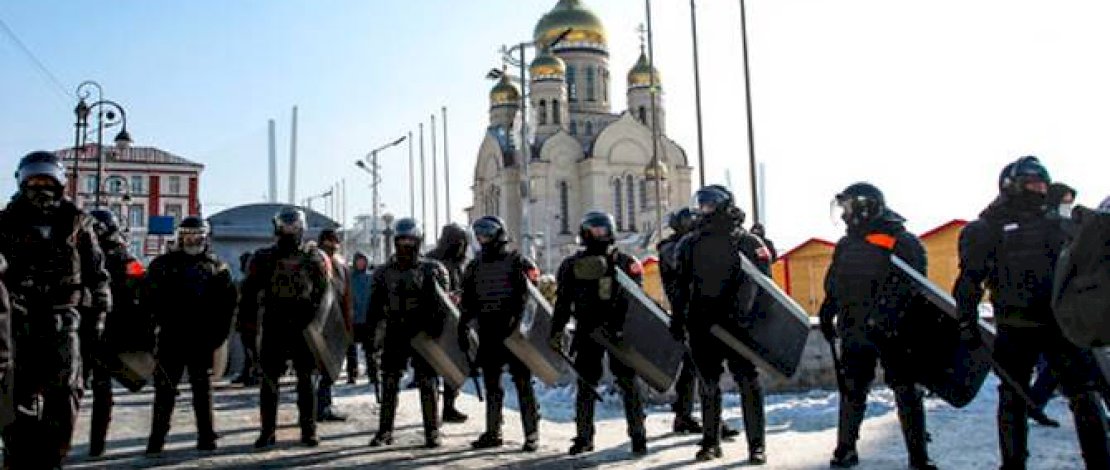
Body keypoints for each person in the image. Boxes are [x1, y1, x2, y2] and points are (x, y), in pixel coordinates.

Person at [953, 156, 1109, 469]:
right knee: (1012, 398)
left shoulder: (1057, 221)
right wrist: (966, 320)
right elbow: (969, 280)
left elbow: (1086, 263)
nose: (1039, 189)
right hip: (1015, 326)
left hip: (1061, 324)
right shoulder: (988, 227)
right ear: (1012, 185)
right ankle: (1013, 464)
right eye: (1032, 184)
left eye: (1042, 184)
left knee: (1084, 394)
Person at [0, 151, 111, 468]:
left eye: (47, 180)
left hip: (64, 320)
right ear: (22, 182)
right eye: (33, 180)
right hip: (17, 321)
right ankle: (17, 455)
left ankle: (53, 456)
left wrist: (99, 317)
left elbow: (98, 276)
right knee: (13, 393)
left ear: (60, 183)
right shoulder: (5, 223)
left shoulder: (77, 223)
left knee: (65, 393)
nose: (40, 188)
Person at [818, 183, 935, 469]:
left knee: (906, 390)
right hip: (855, 329)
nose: (844, 214)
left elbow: (914, 285)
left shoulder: (900, 240)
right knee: (852, 389)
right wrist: (828, 308)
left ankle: (918, 457)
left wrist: (888, 316)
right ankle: (845, 449)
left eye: (847, 207)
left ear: (863, 207)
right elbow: (836, 281)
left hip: (893, 331)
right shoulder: (847, 243)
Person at [670, 185, 768, 463]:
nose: (704, 210)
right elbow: (680, 287)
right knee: (708, 385)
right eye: (702, 205)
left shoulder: (746, 242)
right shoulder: (689, 244)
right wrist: (678, 319)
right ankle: (711, 442)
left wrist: (755, 322)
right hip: (702, 323)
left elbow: (763, 287)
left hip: (739, 326)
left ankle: (756, 446)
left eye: (710, 205)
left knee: (748, 382)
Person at [550, 211, 648, 457]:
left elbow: (637, 300)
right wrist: (556, 329)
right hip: (587, 330)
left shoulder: (625, 262)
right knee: (585, 384)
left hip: (618, 331)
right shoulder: (571, 265)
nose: (598, 235)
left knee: (628, 382)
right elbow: (562, 302)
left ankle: (638, 435)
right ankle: (584, 437)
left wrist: (626, 328)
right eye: (593, 230)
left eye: (602, 229)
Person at [143, 216, 237, 454]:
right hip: (171, 336)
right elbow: (148, 301)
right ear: (180, 237)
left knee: (202, 391)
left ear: (205, 238)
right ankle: (157, 439)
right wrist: (150, 332)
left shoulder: (217, 267)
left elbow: (227, 306)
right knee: (164, 390)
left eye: (197, 236)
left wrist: (218, 337)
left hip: (201, 339)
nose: (192, 241)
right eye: (188, 236)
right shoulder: (162, 265)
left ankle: (206, 437)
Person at [240, 207, 330, 448]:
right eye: (286, 226)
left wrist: (318, 323)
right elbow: (249, 292)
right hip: (275, 322)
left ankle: (308, 430)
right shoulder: (264, 257)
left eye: (294, 226)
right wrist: (246, 327)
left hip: (303, 324)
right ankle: (268, 430)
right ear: (278, 228)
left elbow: (323, 294)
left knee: (306, 380)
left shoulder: (314, 258)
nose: (290, 231)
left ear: (301, 228)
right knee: (269, 380)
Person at [460, 216, 541, 451]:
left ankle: (531, 433)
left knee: (523, 382)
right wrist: (463, 326)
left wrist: (518, 323)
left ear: (498, 234)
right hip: (488, 331)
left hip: (513, 332)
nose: (482, 238)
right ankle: (493, 432)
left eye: (486, 234)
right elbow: (468, 301)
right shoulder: (474, 267)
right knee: (492, 384)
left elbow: (530, 299)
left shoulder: (517, 262)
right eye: (479, 234)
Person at [367, 218, 449, 449]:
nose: (405, 244)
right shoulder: (384, 272)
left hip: (422, 331)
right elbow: (375, 307)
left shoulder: (431, 269)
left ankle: (432, 431)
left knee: (427, 381)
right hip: (395, 330)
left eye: (409, 240)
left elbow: (443, 307)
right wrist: (371, 337)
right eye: (401, 239)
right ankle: (385, 431)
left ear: (418, 241)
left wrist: (436, 330)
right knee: (390, 380)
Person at [83, 209, 146, 457]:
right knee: (98, 389)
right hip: (103, 329)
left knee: (82, 387)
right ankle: (95, 445)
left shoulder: (122, 259)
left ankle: (83, 442)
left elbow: (141, 293)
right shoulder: (126, 259)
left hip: (95, 328)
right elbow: (142, 293)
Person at [656, 207, 703, 434]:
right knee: (696, 366)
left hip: (700, 309)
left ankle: (685, 414)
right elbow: (683, 264)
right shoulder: (670, 248)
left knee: (695, 366)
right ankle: (685, 415)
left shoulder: (689, 244)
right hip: (684, 312)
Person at [425, 223, 471, 424]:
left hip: (456, 321)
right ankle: (432, 411)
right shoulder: (430, 261)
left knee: (454, 367)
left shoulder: (461, 263)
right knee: (433, 367)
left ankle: (449, 406)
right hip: (434, 320)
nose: (460, 246)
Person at [315, 229, 352, 422]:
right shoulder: (313, 260)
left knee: (330, 368)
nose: (332, 246)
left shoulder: (340, 264)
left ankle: (323, 405)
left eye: (335, 243)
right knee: (317, 369)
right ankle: (316, 408)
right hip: (316, 323)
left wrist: (348, 326)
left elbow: (346, 296)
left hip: (335, 323)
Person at [346, 251, 375, 386]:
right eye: (358, 260)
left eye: (363, 260)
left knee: (370, 350)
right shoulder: (350, 278)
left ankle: (373, 374)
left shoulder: (371, 277)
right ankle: (352, 374)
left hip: (368, 318)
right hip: (353, 318)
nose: (361, 263)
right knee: (351, 349)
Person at [232, 251, 260, 387]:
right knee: (248, 349)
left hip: (252, 321)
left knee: (252, 350)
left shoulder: (253, 282)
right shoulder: (246, 282)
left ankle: (254, 373)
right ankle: (247, 372)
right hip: (246, 320)